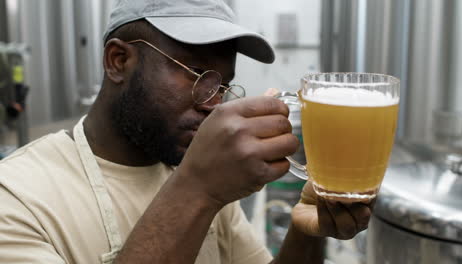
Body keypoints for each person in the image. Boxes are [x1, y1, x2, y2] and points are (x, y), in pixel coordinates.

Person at [0, 0, 372, 263]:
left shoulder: (195, 171)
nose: (214, 102)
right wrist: (197, 188)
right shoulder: (18, 197)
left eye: (224, 84)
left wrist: (306, 233)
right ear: (119, 60)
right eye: (197, 74)